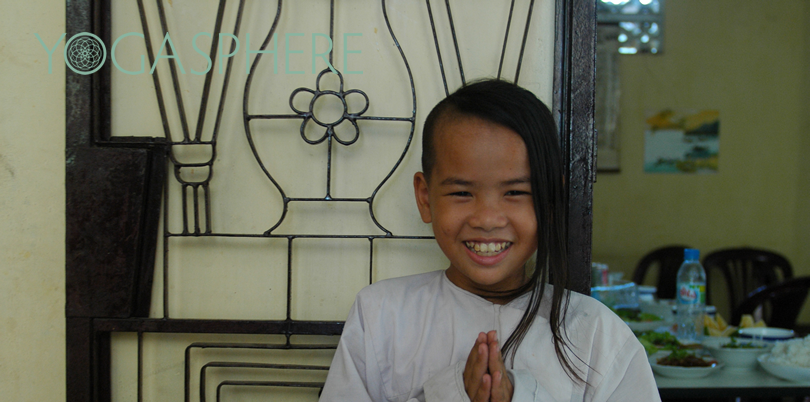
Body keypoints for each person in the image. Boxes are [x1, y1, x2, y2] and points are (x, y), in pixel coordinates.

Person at [319, 79, 660, 402]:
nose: (487, 219)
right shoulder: (382, 316)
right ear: (425, 198)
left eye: (515, 192)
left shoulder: (597, 335)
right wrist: (451, 394)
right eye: (462, 192)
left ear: (550, 199)